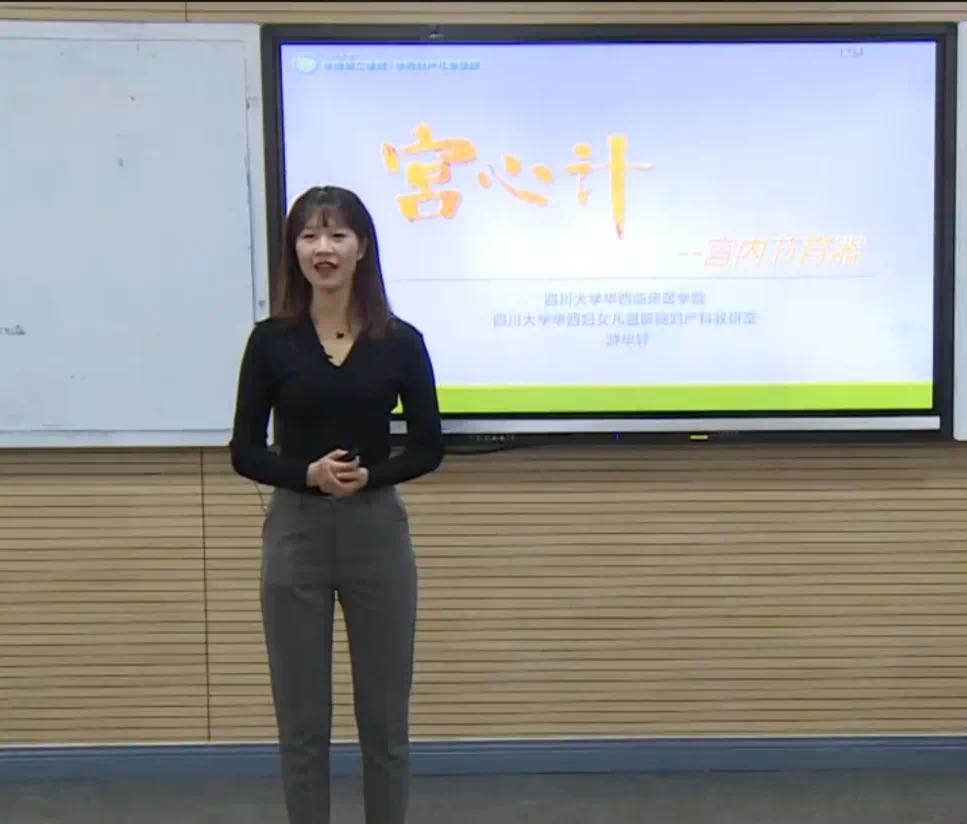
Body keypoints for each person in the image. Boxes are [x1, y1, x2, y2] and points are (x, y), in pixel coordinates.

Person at [230, 185, 443, 824]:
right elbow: (245, 451)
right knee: (301, 724)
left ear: (362, 248)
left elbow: (428, 447)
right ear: (294, 250)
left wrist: (370, 475)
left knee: (385, 722)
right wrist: (307, 474)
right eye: (309, 235)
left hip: (377, 536)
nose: (323, 248)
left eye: (337, 235)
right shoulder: (271, 342)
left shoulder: (400, 341)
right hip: (295, 535)